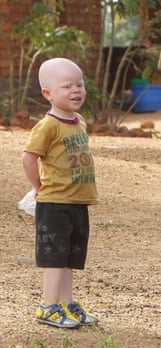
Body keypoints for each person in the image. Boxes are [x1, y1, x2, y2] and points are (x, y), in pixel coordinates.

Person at [22, 58, 98, 328]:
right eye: (67, 86)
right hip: (54, 203)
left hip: (77, 202)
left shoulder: (79, 122)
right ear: (48, 93)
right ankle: (48, 306)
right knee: (54, 257)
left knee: (69, 257)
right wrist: (37, 187)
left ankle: (66, 303)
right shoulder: (48, 126)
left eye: (79, 84)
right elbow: (29, 157)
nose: (76, 90)